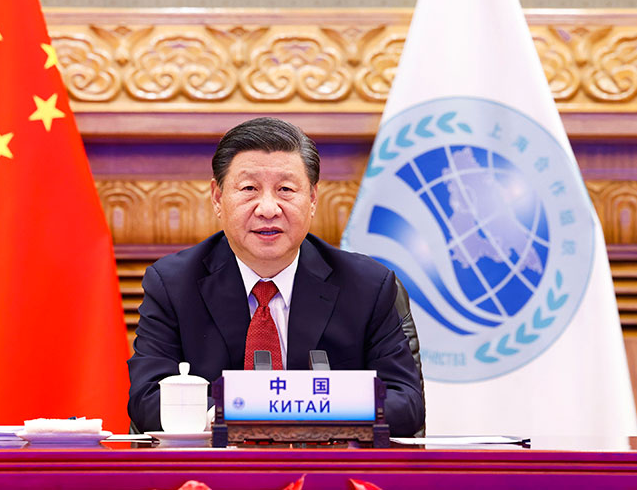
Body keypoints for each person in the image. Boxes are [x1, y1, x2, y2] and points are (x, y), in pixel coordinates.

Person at [127, 117, 425, 436]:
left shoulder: (367, 286)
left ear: (312, 199)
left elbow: (405, 404)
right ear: (217, 198)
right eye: (249, 189)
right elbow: (147, 400)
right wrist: (239, 413)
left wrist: (306, 414)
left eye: (285, 189)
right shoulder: (173, 284)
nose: (268, 209)